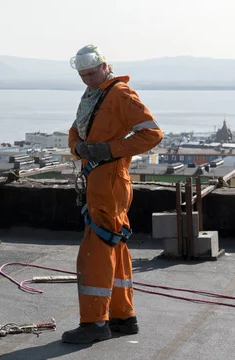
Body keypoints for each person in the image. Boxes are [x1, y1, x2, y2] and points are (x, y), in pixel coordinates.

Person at [62, 44, 163, 344]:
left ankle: (94, 323)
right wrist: (78, 147)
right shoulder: (91, 98)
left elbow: (152, 133)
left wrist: (110, 150)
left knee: (96, 250)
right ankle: (122, 317)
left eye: (92, 73)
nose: (87, 80)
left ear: (105, 66)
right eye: (83, 75)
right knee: (114, 246)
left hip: (110, 181)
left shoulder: (120, 95)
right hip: (99, 180)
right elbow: (76, 130)